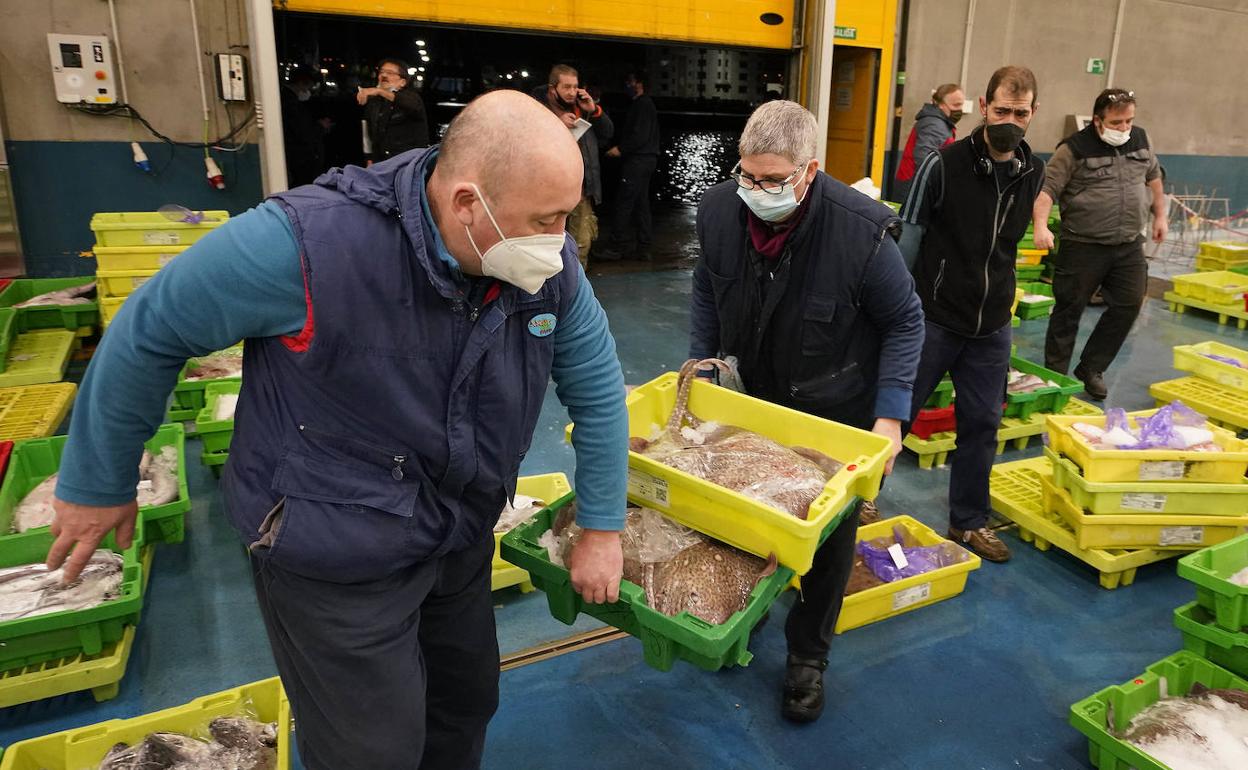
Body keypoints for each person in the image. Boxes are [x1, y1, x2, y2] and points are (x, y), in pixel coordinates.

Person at [46, 91, 627, 770]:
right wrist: (96, 479)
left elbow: (594, 383)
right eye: (544, 220)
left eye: (566, 217)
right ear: (468, 203)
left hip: (454, 533)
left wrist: (603, 525)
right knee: (370, 751)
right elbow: (151, 327)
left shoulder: (543, 268)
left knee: (463, 704)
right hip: (334, 550)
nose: (558, 242)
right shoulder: (308, 244)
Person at [690, 101, 924, 724]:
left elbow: (905, 321)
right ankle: (749, 608)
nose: (756, 192)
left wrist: (890, 418)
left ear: (810, 169)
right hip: (753, 398)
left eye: (773, 180)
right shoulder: (718, 212)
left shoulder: (860, 233)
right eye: (747, 176)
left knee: (827, 534)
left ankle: (807, 657)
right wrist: (702, 367)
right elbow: (707, 290)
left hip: (833, 407)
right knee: (747, 511)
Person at [898, 66, 1046, 564]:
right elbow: (910, 237)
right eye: (1001, 110)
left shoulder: (1033, 171)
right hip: (934, 317)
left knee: (982, 423)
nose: (1010, 120)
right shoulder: (942, 165)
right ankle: (860, 500)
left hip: (991, 326)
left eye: (1019, 113)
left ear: (1033, 114)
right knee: (894, 411)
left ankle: (968, 523)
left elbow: (1005, 246)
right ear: (983, 107)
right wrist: (899, 311)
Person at [1032, 88, 1167, 400]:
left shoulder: (1140, 139)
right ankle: (1055, 379)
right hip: (1083, 245)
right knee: (1068, 310)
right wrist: (1041, 225)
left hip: (1129, 243)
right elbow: (1047, 189)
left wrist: (1160, 216)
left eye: (1129, 121)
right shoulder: (1074, 149)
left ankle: (1091, 367)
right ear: (1097, 121)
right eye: (1117, 122)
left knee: (1129, 303)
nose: (1124, 129)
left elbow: (1154, 176)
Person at [532, 64, 614, 267]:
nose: (571, 93)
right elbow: (526, 143)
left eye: (574, 87)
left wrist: (594, 111)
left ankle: (575, 285)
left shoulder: (582, 109)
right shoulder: (536, 109)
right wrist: (555, 123)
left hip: (581, 190)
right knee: (546, 242)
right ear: (553, 89)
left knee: (582, 241)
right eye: (566, 87)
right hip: (548, 191)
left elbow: (607, 134)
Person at [600, 71, 660, 260]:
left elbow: (639, 136)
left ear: (639, 83)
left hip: (637, 161)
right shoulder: (647, 104)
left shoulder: (641, 105)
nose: (628, 84)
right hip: (648, 160)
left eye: (631, 81)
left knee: (624, 203)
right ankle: (644, 247)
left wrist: (620, 148)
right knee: (641, 204)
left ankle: (616, 247)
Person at [893, 83, 964, 202]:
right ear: (941, 105)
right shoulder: (934, 125)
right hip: (913, 189)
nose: (959, 110)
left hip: (912, 186)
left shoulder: (939, 122)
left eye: (961, 104)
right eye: (956, 105)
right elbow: (924, 160)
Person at [358, 57, 430, 164]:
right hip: (382, 162)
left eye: (390, 73)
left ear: (402, 82)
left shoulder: (412, 98)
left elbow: (412, 106)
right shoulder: (375, 102)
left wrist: (380, 91)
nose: (384, 75)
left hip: (409, 163)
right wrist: (369, 158)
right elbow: (367, 133)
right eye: (382, 72)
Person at [280, 68, 326, 187]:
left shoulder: (286, 99)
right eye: (308, 87)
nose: (308, 92)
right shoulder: (291, 103)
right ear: (301, 83)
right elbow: (303, 132)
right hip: (298, 159)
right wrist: (320, 127)